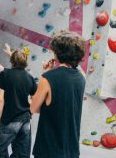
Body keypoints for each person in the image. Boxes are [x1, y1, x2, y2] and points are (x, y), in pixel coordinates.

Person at [30, 30, 86, 158]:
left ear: (57, 53)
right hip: (71, 148)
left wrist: (45, 73)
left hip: (49, 148)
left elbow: (34, 108)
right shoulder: (81, 78)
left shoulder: (47, 78)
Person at [0, 43, 37, 158]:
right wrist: (30, 112)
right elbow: (34, 99)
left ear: (12, 61)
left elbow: (0, 100)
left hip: (10, 119)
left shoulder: (6, 74)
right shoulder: (29, 77)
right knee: (21, 153)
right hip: (25, 120)